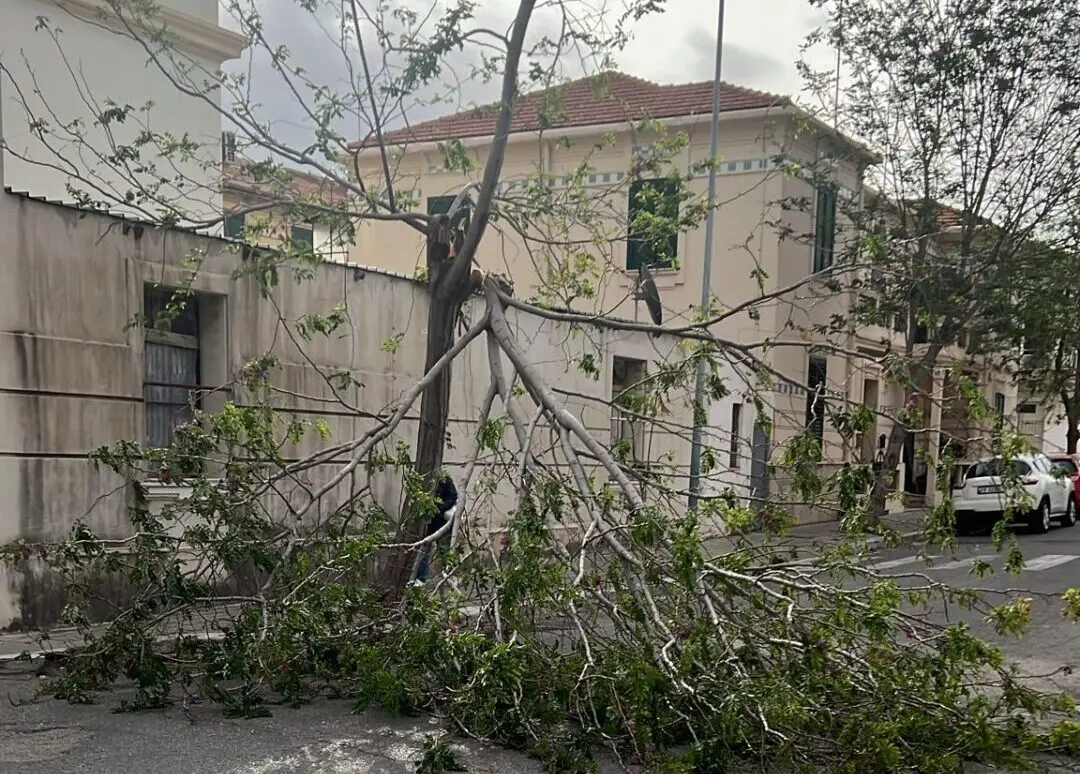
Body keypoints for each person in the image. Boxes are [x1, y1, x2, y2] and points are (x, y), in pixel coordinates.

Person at [416, 473, 458, 582]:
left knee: (444, 551)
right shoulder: (423, 478)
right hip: (428, 524)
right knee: (424, 552)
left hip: (441, 523)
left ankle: (450, 576)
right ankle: (421, 579)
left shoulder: (444, 479)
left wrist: (440, 508)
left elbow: (453, 496)